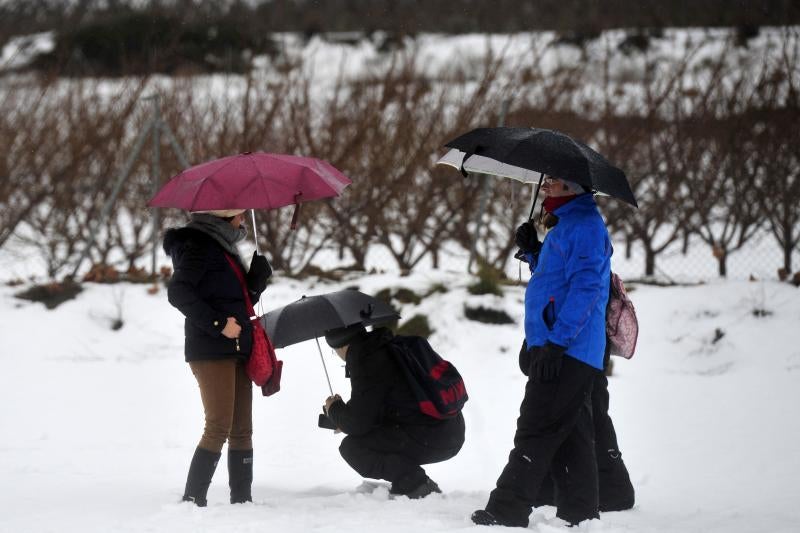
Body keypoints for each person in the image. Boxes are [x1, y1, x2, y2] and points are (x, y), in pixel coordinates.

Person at [472, 176, 611, 527]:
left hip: (566, 349)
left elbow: (587, 288)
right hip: (559, 345)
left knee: (535, 425)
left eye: (554, 181)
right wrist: (533, 250)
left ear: (573, 187)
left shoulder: (586, 226)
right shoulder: (568, 224)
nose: (546, 185)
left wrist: (557, 342)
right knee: (572, 429)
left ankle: (507, 508)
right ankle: (581, 511)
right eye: (546, 180)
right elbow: (555, 280)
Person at [163, 208, 272, 507]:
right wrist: (218, 324)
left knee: (242, 429)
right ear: (221, 218)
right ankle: (192, 499)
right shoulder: (198, 246)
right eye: (238, 216)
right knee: (219, 425)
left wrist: (255, 282)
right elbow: (179, 292)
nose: (242, 222)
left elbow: (230, 298)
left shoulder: (223, 248)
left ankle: (242, 499)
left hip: (236, 348)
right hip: (210, 350)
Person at [321, 324, 466, 499]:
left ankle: (416, 484)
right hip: (450, 429)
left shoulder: (367, 360)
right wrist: (343, 419)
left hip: (434, 437)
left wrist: (334, 409)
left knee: (352, 448)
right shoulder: (386, 346)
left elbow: (358, 423)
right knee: (362, 438)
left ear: (341, 346)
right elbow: (378, 404)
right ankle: (414, 481)